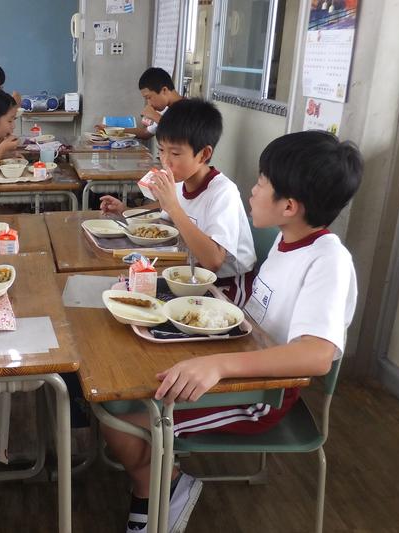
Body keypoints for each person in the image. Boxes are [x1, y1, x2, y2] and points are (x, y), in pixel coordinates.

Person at [102, 130, 363, 533]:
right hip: (242, 358)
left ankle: (164, 489)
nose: (252, 191)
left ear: (289, 206)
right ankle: (157, 479)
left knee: (120, 423)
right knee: (122, 374)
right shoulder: (287, 241)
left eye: (261, 183)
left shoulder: (328, 260)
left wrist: (219, 365)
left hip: (264, 394)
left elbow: (317, 355)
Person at [100, 99, 256, 305]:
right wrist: (126, 211)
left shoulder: (223, 192)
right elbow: (164, 223)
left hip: (224, 285)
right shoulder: (180, 182)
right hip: (187, 274)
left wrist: (173, 207)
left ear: (204, 154)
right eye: (161, 150)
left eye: (174, 153)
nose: (165, 161)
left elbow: (214, 262)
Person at [96, 67, 183, 140]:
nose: (149, 103)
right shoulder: (166, 111)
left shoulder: (188, 110)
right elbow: (145, 133)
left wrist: (154, 115)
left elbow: (181, 135)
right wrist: (111, 130)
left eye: (149, 97)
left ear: (164, 90)